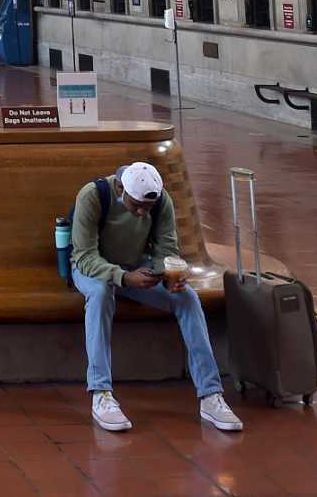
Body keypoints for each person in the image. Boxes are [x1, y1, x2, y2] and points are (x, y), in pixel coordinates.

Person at [70, 161, 243, 435]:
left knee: (187, 299)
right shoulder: (92, 196)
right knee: (101, 296)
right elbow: (84, 256)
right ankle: (101, 393)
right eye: (135, 205)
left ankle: (210, 395)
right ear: (120, 188)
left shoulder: (162, 201)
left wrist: (166, 273)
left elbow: (166, 247)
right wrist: (123, 277)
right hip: (94, 269)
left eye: (146, 208)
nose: (141, 213)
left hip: (138, 267)